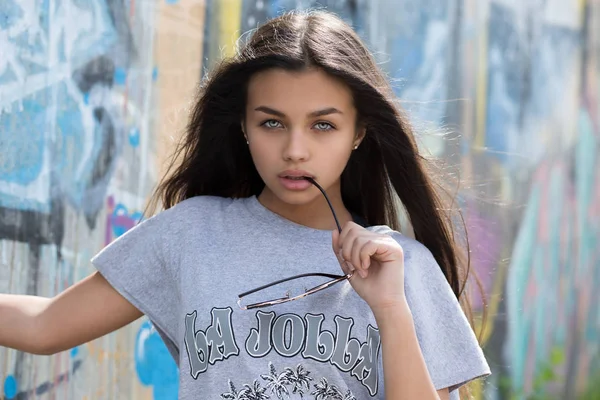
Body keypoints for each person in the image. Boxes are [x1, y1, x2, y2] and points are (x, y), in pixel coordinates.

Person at [0, 10, 490, 400]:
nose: (295, 150)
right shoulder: (190, 234)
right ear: (243, 127)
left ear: (359, 132)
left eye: (323, 125)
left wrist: (389, 306)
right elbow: (44, 325)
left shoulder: (404, 269)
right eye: (272, 123)